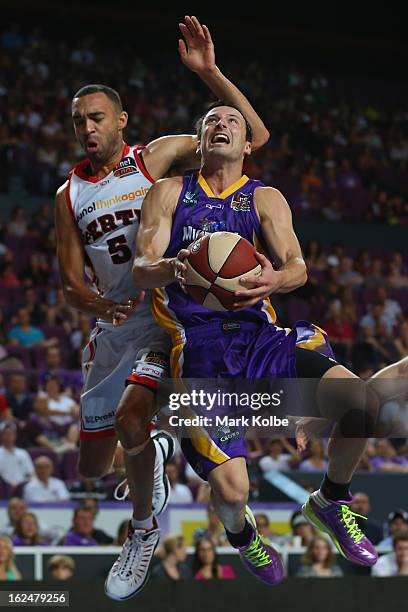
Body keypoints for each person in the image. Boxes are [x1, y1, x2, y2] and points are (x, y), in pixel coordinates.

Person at [133, 98, 408, 579]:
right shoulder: (169, 192)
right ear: (199, 140)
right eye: (212, 121)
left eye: (232, 120)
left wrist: (273, 281)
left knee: (359, 404)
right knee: (234, 492)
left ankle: (330, 500)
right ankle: (243, 536)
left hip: (260, 339)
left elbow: (298, 268)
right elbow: (139, 269)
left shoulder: (264, 197)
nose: (222, 124)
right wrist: (174, 267)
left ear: (246, 143)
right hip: (199, 352)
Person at [55, 15, 269, 602]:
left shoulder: (156, 157)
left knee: (132, 419)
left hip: (162, 314)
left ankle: (144, 529)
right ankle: (156, 452)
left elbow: (253, 136)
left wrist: (209, 73)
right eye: (79, 122)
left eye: (97, 118)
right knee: (93, 469)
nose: (87, 128)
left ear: (120, 121)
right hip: (112, 326)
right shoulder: (67, 195)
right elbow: (70, 280)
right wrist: (94, 300)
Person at [0, 422, 34, 488]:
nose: (8, 436)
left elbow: (31, 473)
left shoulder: (23, 453)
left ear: (15, 435)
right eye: (5, 434)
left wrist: (30, 485)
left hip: (24, 488)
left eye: (10, 434)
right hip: (4, 489)